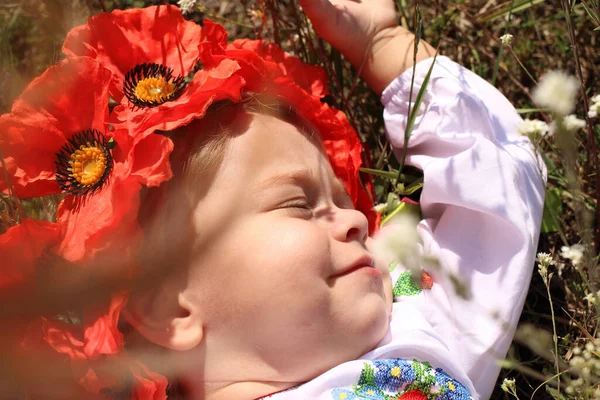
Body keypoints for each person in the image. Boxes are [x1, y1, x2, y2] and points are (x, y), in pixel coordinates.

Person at [0, 1, 545, 399]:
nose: (359, 217)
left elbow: (497, 184)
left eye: (339, 195)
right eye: (298, 204)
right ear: (168, 305)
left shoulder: (413, 324)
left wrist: (382, 41)